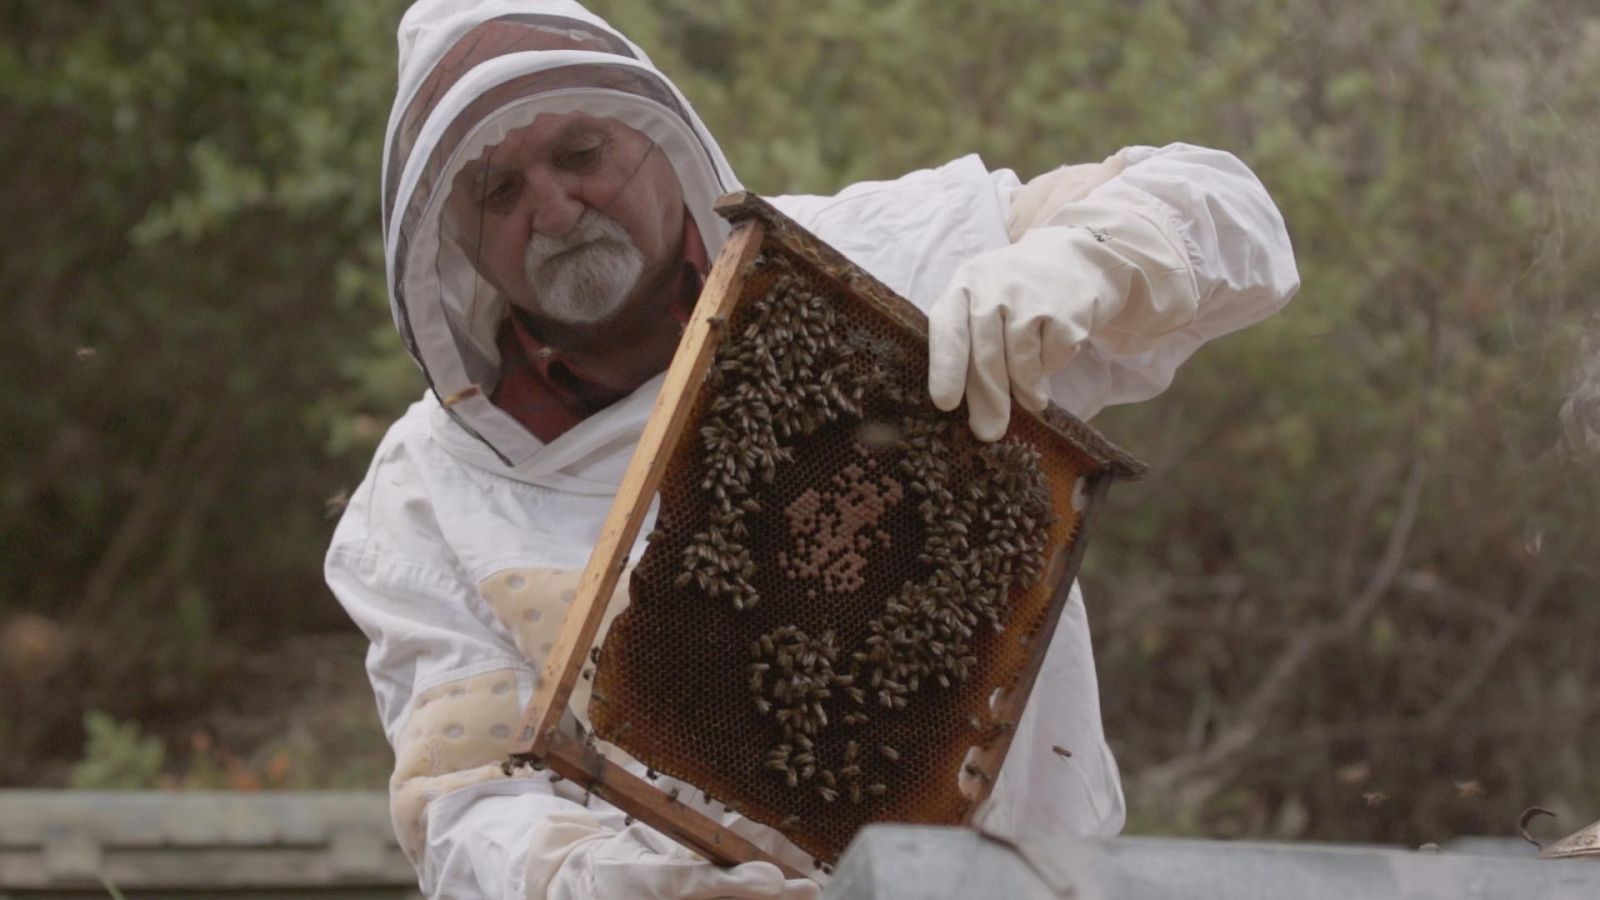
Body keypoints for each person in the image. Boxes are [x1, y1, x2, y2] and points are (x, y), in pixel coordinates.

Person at [325, 1, 1301, 897]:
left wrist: (1087, 259)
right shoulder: (419, 502)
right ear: (456, 240)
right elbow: (465, 802)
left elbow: (1226, 208)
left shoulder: (884, 257)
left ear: (660, 142)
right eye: (500, 190)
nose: (554, 207)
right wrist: (611, 884)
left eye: (581, 152)